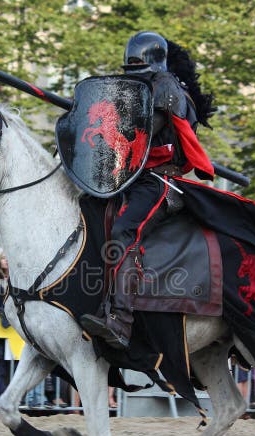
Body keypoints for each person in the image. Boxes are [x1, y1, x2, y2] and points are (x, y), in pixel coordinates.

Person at [81, 31, 216, 349]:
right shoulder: (141, 87)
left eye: (137, 64)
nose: (133, 70)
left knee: (125, 230)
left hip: (160, 182)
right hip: (131, 179)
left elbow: (141, 132)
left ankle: (121, 321)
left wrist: (109, 123)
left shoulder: (166, 86)